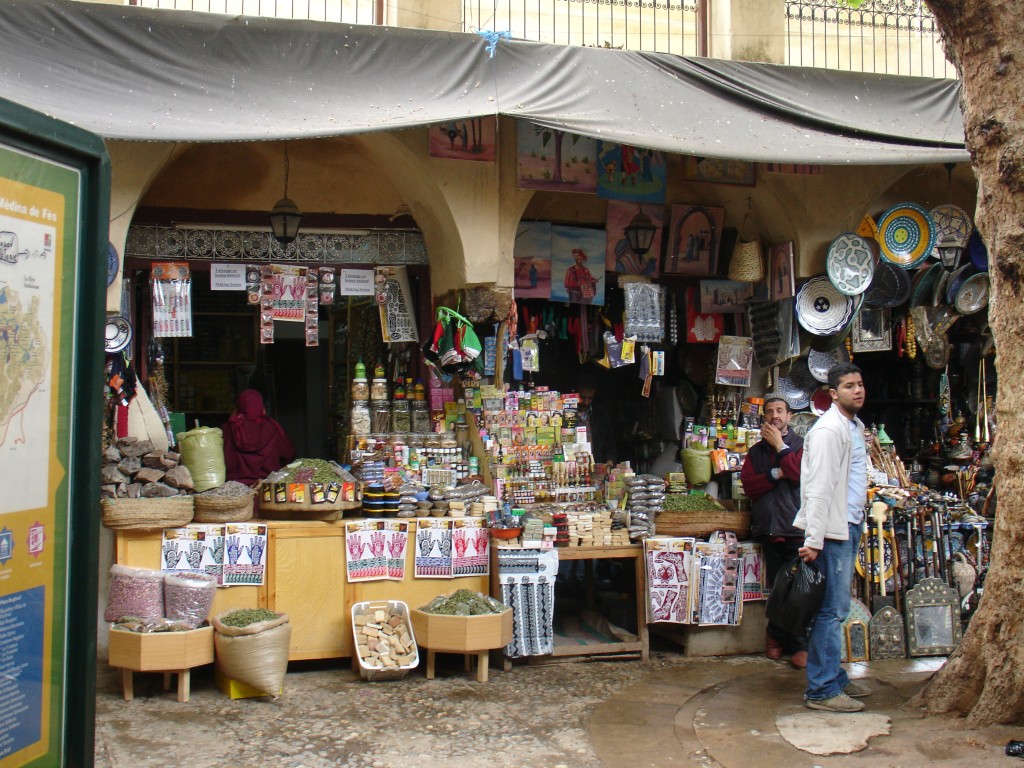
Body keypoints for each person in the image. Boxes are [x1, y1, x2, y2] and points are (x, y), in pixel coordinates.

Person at [793, 362, 872, 712]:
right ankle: (822, 690)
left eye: (859, 384)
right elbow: (819, 488)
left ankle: (834, 679)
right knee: (832, 610)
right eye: (849, 386)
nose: (857, 390)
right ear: (833, 393)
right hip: (832, 531)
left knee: (835, 608)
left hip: (849, 524)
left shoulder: (853, 426)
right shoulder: (828, 431)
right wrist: (813, 538)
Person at [739, 396, 806, 669]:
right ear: (764, 417)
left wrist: (780, 446)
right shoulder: (755, 453)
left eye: (780, 411)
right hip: (769, 527)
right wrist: (775, 475)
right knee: (779, 587)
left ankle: (791, 640)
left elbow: (800, 473)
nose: (775, 416)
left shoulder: (803, 445)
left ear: (789, 415)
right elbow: (750, 486)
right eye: (769, 412)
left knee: (799, 588)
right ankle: (779, 638)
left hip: (798, 527)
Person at [222, 389, 296, 486]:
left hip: (234, 492)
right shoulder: (271, 427)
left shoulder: (228, 428)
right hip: (267, 490)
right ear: (261, 406)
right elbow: (289, 454)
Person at [576, 372, 616, 464]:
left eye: (590, 398)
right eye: (583, 397)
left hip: (596, 466)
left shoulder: (600, 414)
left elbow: (609, 444)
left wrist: (610, 460)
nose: (586, 402)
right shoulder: (565, 413)